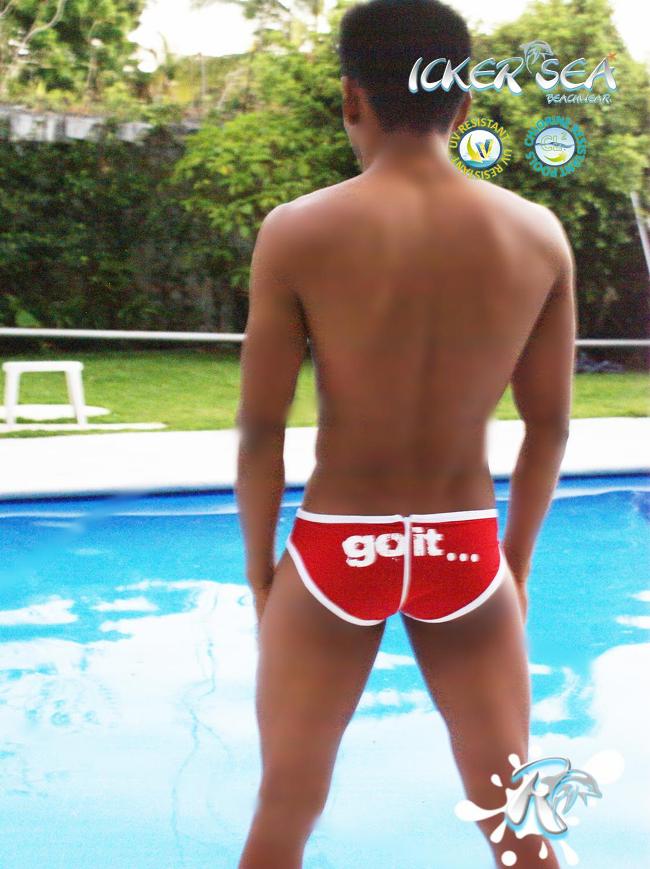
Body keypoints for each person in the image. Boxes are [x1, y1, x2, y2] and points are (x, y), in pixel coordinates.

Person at [235, 1, 576, 866]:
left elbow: (261, 430)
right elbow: (548, 427)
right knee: (516, 820)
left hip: (337, 544)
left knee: (284, 809)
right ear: (463, 105)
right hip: (466, 545)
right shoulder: (537, 234)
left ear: (352, 98)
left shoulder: (298, 229)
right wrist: (514, 565)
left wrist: (263, 576)